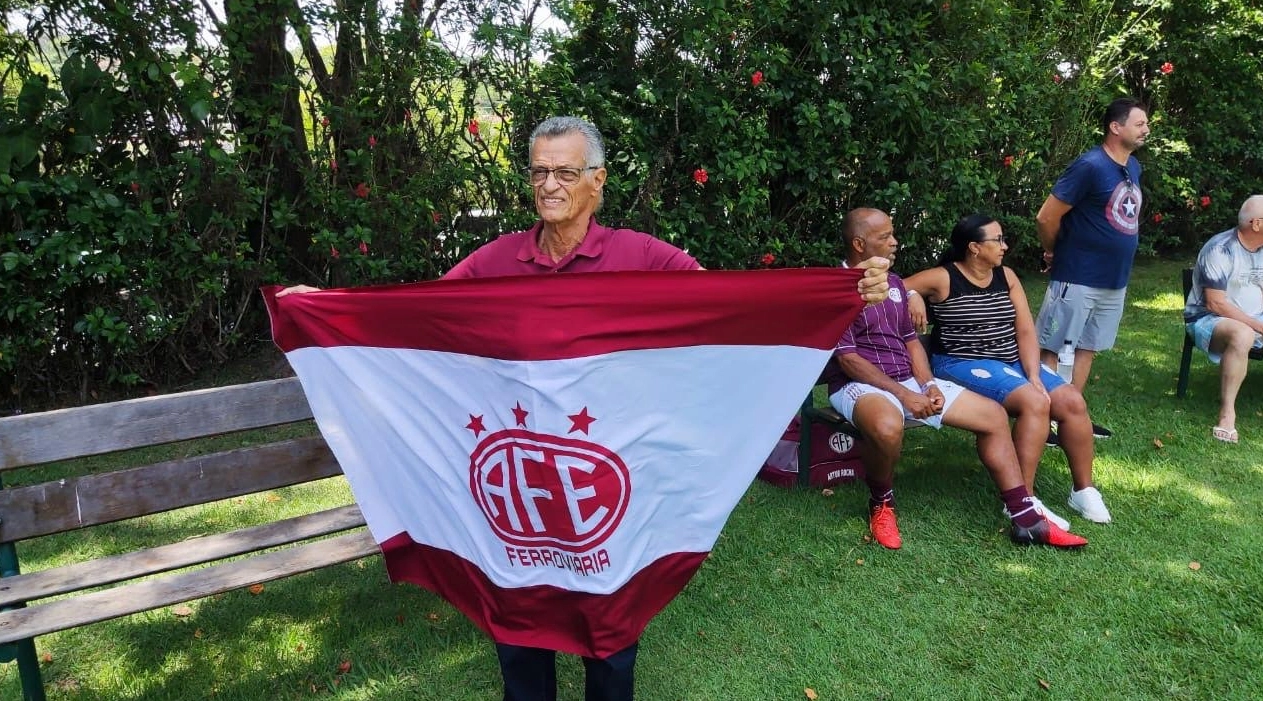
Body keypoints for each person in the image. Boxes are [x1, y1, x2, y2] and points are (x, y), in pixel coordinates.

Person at [280, 116, 892, 701]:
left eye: (566, 173)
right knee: (519, 624)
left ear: (597, 182)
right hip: (516, 480)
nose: (550, 185)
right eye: (540, 172)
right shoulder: (494, 263)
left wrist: (841, 291)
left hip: (608, 479)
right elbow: (419, 317)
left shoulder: (645, 259)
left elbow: (728, 310)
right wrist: (324, 308)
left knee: (610, 631)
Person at [827, 208, 1087, 551]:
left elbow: (910, 342)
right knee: (888, 426)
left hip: (908, 379)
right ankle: (881, 502)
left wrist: (928, 385)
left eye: (892, 234)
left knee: (993, 416)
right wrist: (905, 397)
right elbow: (848, 359)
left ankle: (1025, 518)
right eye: (884, 237)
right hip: (858, 384)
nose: (895, 242)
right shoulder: (835, 290)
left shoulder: (891, 283)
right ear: (859, 244)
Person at [903, 214, 1112, 525]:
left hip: (1011, 360)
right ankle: (1022, 498)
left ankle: (1083, 489)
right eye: (997, 240)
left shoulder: (1006, 276)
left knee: (1071, 400)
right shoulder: (943, 277)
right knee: (1034, 401)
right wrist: (911, 295)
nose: (1005, 246)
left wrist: (1032, 374)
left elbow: (1026, 331)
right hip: (962, 363)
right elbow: (893, 287)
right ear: (974, 248)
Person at [1033, 96, 1151, 439]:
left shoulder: (1133, 167)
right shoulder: (1089, 166)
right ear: (1116, 127)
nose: (1146, 129)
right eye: (1139, 123)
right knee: (1053, 347)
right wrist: (1054, 250)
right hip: (1077, 275)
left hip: (1114, 280)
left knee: (1088, 347)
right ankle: (1042, 419)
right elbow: (1046, 216)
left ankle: (1071, 415)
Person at [1184, 195, 1263, 444]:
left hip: (1255, 318)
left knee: (1247, 330)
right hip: (1210, 320)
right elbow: (1215, 303)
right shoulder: (1221, 248)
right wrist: (1259, 325)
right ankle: (1227, 415)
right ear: (1257, 224)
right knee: (1243, 334)